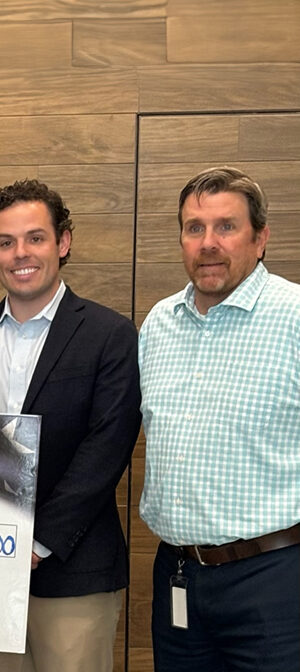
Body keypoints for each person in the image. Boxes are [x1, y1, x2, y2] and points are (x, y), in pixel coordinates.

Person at [0, 179, 141, 672]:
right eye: (6, 242)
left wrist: (35, 544)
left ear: (64, 241)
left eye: (35, 237)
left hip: (74, 573)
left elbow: (107, 448)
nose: (21, 254)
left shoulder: (110, 335)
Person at [139, 166, 300, 672]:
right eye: (194, 228)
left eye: (226, 227)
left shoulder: (295, 318)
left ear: (261, 238)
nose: (208, 243)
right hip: (178, 574)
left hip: (274, 580)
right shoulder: (159, 325)